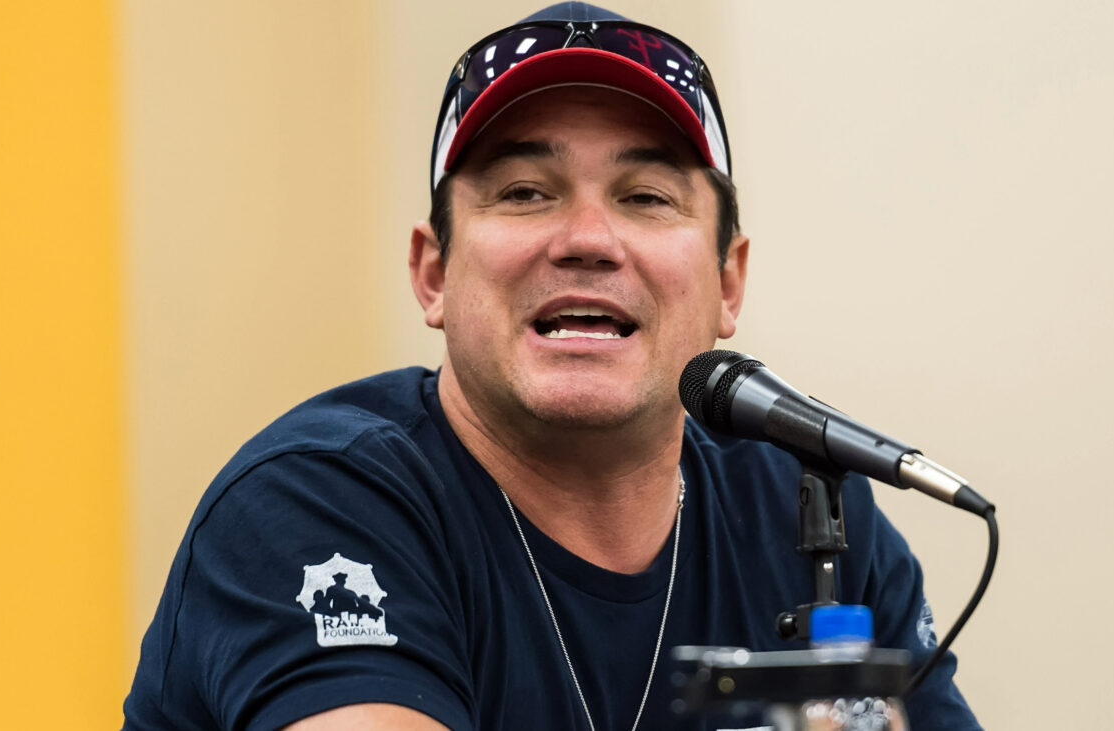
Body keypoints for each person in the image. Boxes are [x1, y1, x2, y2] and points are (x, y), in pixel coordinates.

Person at [123, 3, 982, 730]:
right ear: (433, 273)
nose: (587, 240)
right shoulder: (315, 500)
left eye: (645, 197)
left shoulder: (809, 511)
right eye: (525, 193)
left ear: (728, 282)